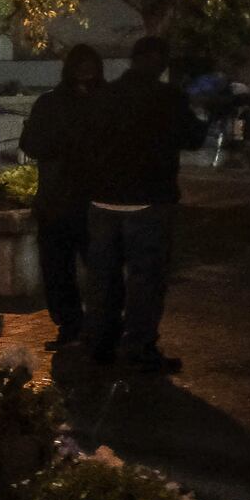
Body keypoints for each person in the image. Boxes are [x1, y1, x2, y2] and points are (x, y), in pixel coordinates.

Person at [83, 34, 206, 373]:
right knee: (145, 279)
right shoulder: (167, 98)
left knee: (103, 278)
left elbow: (85, 142)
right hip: (148, 201)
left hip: (103, 200)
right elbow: (194, 137)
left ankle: (100, 343)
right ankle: (138, 346)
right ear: (157, 61)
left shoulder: (105, 96)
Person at [17, 44, 104, 349]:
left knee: (100, 270)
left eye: (90, 66)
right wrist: (64, 142)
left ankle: (101, 328)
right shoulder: (51, 103)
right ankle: (70, 326)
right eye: (80, 66)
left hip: (96, 203)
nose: (86, 73)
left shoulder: (107, 103)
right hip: (57, 202)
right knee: (56, 270)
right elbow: (31, 143)